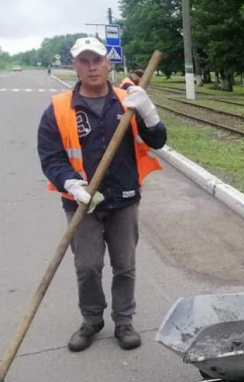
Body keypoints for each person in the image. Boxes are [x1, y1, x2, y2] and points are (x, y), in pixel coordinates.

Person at [37, 37, 166, 352]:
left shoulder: (129, 100)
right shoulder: (58, 109)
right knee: (88, 266)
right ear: (75, 65)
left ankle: (124, 321)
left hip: (123, 197)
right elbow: (51, 156)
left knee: (125, 264)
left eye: (97, 60)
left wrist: (149, 114)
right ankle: (92, 321)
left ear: (108, 63)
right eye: (84, 61)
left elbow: (158, 140)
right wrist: (70, 183)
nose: (92, 67)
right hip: (82, 203)